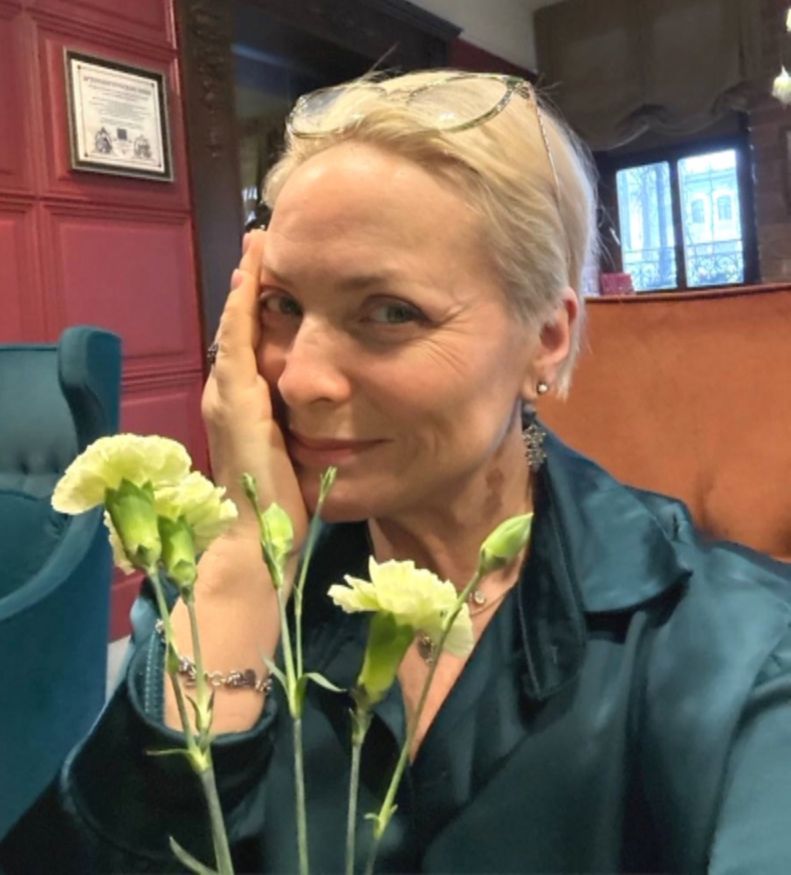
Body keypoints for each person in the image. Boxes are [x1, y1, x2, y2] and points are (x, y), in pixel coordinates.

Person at [3, 69, 791, 874]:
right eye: (282, 305)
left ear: (545, 339)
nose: (300, 378)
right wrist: (244, 565)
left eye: (390, 312)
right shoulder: (206, 595)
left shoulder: (734, 646)